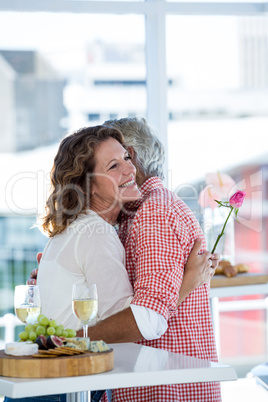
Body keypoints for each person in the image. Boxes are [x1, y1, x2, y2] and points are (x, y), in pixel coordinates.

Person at [27, 118, 220, 402]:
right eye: (114, 165)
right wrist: (188, 282)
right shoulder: (102, 229)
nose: (130, 168)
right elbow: (141, 318)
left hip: (163, 386)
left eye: (127, 158)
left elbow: (143, 316)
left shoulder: (148, 213)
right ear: (89, 185)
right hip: (71, 381)